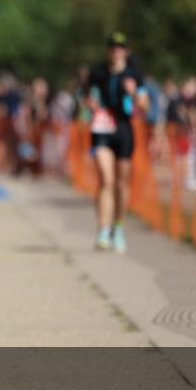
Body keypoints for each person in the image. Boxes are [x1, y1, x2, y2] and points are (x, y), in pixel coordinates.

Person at [85, 31, 147, 253]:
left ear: (126, 51)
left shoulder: (134, 75)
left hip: (123, 129)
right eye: (112, 47)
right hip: (102, 126)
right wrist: (90, 104)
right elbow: (88, 96)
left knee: (121, 183)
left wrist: (135, 94)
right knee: (106, 179)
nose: (116, 51)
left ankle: (118, 227)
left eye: (120, 47)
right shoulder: (97, 72)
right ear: (108, 50)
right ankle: (103, 230)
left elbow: (144, 106)